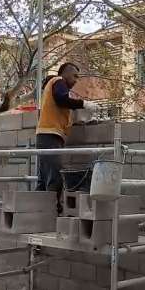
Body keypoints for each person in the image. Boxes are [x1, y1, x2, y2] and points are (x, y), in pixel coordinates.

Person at [35, 62, 98, 213]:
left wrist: (81, 121)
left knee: (45, 178)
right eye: (74, 76)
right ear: (65, 73)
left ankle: (36, 214)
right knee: (54, 176)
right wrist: (84, 104)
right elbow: (61, 99)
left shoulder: (56, 87)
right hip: (49, 135)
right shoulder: (58, 82)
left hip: (49, 135)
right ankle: (51, 213)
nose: (76, 80)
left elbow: (63, 109)